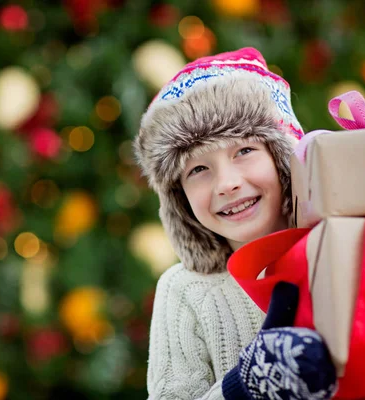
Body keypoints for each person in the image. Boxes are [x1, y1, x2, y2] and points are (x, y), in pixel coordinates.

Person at [133, 47, 336, 400]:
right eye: (198, 169)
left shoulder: (339, 249)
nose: (226, 183)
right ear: (179, 196)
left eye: (243, 151)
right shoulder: (186, 291)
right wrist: (244, 387)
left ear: (284, 159)